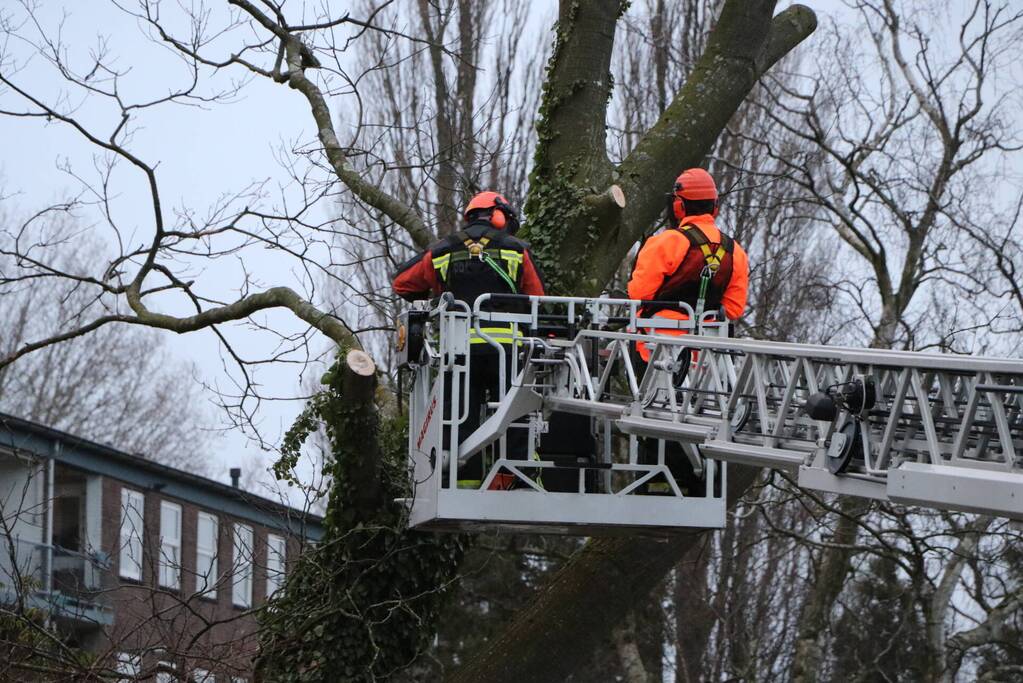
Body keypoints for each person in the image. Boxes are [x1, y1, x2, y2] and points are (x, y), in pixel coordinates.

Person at [392, 191, 545, 489]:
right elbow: (538, 297)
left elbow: (402, 283)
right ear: (497, 215)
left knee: (459, 417)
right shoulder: (516, 249)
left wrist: (435, 290)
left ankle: (461, 479)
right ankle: (516, 476)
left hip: (459, 351)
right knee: (515, 411)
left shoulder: (443, 250)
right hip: (507, 350)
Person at [627, 168, 749, 493]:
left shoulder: (665, 242)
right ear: (715, 207)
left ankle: (656, 483)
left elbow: (639, 292)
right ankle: (698, 483)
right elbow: (734, 309)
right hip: (707, 359)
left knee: (655, 416)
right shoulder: (734, 252)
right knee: (702, 417)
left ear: (678, 206)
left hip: (657, 351)